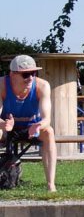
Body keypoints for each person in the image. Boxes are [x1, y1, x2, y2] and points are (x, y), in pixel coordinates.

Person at [0, 55, 56, 193]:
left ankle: (51, 184)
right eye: (26, 74)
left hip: (32, 127)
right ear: (12, 74)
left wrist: (39, 125)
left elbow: (46, 118)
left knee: (49, 132)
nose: (30, 77)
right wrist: (3, 124)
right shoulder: (2, 85)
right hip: (7, 127)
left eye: (33, 73)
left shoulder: (42, 86)